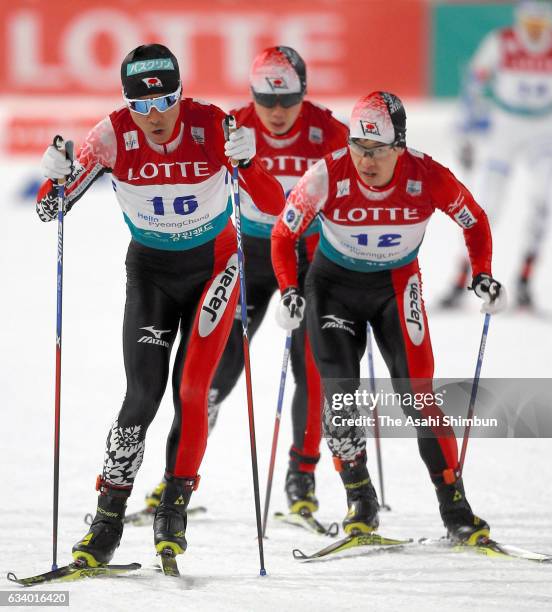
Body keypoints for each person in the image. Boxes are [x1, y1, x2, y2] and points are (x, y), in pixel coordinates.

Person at [36, 43, 284, 566]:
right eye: (140, 105)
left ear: (179, 93)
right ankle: (107, 519)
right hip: (150, 274)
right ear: (126, 103)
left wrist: (248, 161)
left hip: (216, 268)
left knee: (193, 390)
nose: (154, 116)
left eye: (164, 101)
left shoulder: (212, 125)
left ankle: (174, 507)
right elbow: (51, 208)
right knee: (142, 396)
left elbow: (274, 205)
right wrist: (55, 176)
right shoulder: (110, 136)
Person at [271, 91, 507, 542]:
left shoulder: (428, 174)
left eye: (378, 151)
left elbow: (474, 220)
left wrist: (481, 275)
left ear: (399, 146)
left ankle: (455, 509)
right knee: (339, 395)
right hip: (333, 290)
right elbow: (284, 233)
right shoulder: (326, 173)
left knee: (419, 396)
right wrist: (288, 289)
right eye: (359, 147)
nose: (366, 160)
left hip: (396, 288)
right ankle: (360, 501)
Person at [144, 46, 349, 519]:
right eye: (265, 99)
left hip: (311, 255)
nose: (277, 112)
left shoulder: (329, 131)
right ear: (251, 94)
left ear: (305, 93)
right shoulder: (233, 125)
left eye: (288, 101)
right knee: (218, 370)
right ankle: (176, 478)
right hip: (251, 253)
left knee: (311, 367)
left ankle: (302, 478)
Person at [441, 0, 552, 309]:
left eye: (541, 26)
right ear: (520, 22)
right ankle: (463, 278)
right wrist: (466, 133)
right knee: (487, 206)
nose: (536, 33)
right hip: (506, 125)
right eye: (530, 25)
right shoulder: (502, 42)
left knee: (541, 201)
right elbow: (473, 82)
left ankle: (525, 280)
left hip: (546, 127)